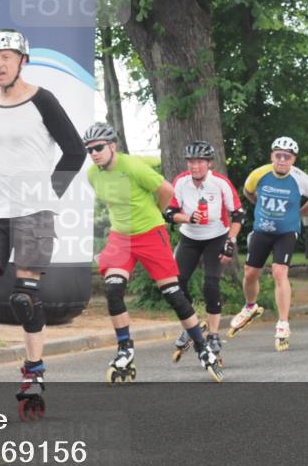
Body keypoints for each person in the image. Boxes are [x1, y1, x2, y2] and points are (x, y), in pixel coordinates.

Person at [0, 29, 84, 422]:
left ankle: (33, 374)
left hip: (33, 210)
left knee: (24, 297)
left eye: (6, 57)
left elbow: (75, 151)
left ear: (22, 61)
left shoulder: (43, 100)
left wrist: (49, 195)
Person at [84, 123, 218, 382]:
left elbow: (166, 191)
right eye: (89, 150)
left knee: (173, 295)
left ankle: (203, 348)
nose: (94, 153)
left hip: (150, 234)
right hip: (121, 238)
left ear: (113, 146)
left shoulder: (132, 166)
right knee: (113, 290)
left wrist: (156, 215)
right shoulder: (93, 174)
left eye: (99, 147)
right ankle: (125, 349)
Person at [235, 136, 308, 351]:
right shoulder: (259, 174)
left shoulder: (300, 178)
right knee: (249, 273)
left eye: (288, 156)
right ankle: (250, 307)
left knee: (279, 271)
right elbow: (248, 191)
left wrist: (301, 213)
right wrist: (259, 205)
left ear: (293, 159)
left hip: (286, 232)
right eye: (278, 155)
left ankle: (283, 323)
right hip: (262, 230)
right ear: (272, 156)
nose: (282, 160)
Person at [166, 140, 245, 375]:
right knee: (175, 284)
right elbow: (170, 213)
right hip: (190, 237)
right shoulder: (180, 181)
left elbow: (238, 214)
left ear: (209, 163)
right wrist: (188, 219)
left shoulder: (220, 183)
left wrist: (230, 241)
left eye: (200, 161)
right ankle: (190, 325)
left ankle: (212, 335)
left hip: (215, 236)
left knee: (210, 284)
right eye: (191, 161)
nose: (195, 166)